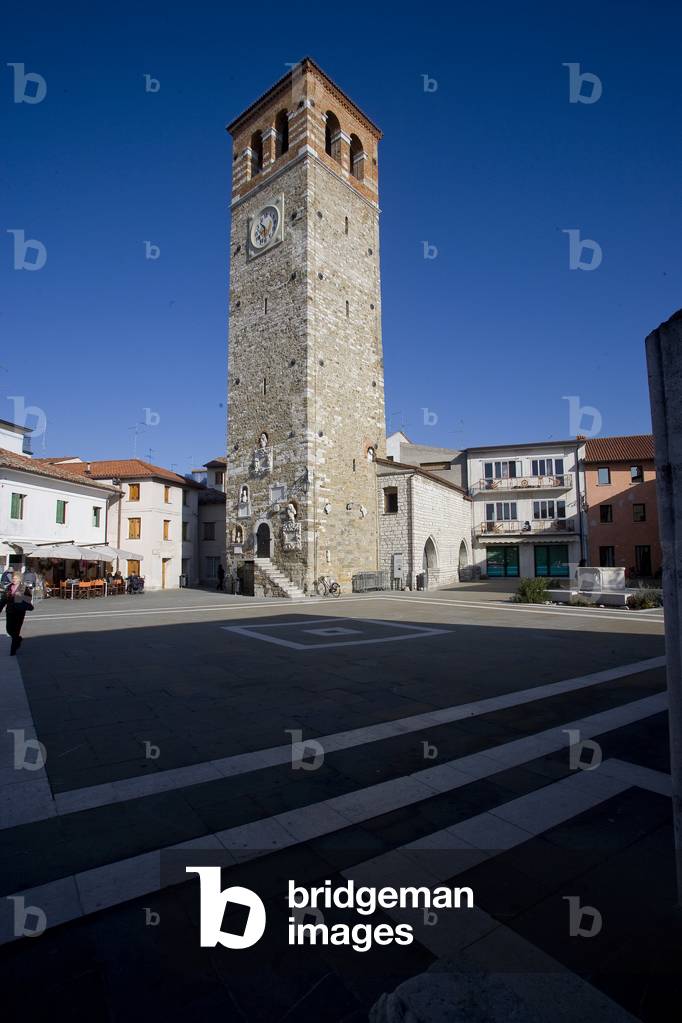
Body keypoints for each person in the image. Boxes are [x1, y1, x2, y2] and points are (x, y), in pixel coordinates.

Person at [0, 572, 34, 655]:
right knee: (9, 629)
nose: (13, 580)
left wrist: (21, 596)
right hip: (10, 611)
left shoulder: (24, 588)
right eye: (13, 578)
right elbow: (3, 599)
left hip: (19, 612)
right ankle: (18, 639)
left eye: (15, 578)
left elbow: (28, 599)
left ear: (19, 579)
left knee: (16, 631)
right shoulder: (9, 587)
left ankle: (13, 650)